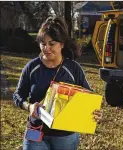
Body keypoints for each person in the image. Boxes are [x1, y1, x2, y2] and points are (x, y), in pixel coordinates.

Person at [13, 16, 102, 150]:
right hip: (36, 131)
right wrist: (29, 107)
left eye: (52, 43)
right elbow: (18, 96)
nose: (46, 48)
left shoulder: (73, 68)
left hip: (65, 137)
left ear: (62, 44)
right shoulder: (32, 68)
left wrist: (95, 112)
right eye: (43, 43)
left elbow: (89, 99)